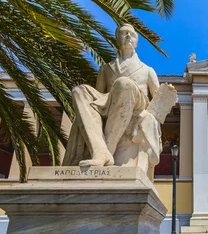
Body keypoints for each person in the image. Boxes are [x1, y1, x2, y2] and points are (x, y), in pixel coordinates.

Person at [63, 24, 161, 169]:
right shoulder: (106, 68)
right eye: (123, 33)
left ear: (136, 42)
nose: (128, 36)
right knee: (79, 91)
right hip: (109, 102)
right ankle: (100, 151)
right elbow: (98, 97)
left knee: (124, 83)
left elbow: (158, 100)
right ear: (117, 39)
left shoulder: (147, 70)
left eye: (132, 34)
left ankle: (108, 150)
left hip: (136, 103)